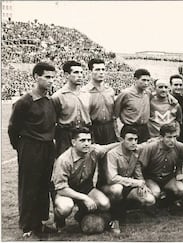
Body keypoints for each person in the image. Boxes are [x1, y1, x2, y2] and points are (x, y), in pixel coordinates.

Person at [8, 62, 57, 237]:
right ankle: (28, 224)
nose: (51, 81)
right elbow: (13, 129)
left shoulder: (50, 100)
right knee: (30, 185)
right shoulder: (24, 102)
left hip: (47, 147)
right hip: (30, 147)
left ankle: (41, 221)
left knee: (44, 183)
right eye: (47, 77)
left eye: (53, 77)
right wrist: (22, 148)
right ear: (36, 77)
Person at [51, 127, 119, 233]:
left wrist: (124, 143)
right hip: (66, 190)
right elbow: (61, 188)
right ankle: (59, 220)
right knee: (65, 207)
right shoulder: (64, 160)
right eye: (82, 140)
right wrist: (84, 198)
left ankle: (82, 215)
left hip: (85, 187)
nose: (86, 143)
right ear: (73, 142)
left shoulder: (93, 150)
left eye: (88, 140)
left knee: (104, 203)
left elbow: (108, 147)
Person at [100, 126, 155, 229]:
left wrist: (142, 183)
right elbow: (111, 178)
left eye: (135, 139)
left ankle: (126, 209)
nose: (133, 142)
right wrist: (135, 183)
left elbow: (137, 171)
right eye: (130, 139)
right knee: (117, 189)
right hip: (109, 187)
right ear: (121, 140)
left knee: (150, 199)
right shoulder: (112, 154)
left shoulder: (136, 152)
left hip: (127, 186)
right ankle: (114, 218)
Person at [138, 123, 183, 208]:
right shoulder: (151, 147)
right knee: (155, 192)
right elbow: (139, 166)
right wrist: (141, 182)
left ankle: (168, 201)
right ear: (161, 138)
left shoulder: (179, 146)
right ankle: (153, 205)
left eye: (174, 137)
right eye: (169, 137)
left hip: (168, 177)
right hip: (151, 178)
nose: (172, 140)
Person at [52, 61, 91, 157]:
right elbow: (53, 120)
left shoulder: (87, 94)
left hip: (84, 133)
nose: (80, 75)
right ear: (66, 75)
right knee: (65, 163)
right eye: (76, 72)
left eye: (81, 72)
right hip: (65, 135)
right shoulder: (58, 96)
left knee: (83, 164)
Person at [81, 58, 118, 145]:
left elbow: (114, 114)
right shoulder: (84, 92)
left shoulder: (110, 90)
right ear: (90, 71)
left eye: (103, 69)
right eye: (97, 69)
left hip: (109, 128)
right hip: (93, 128)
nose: (101, 72)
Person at [114, 69, 151, 143]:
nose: (146, 83)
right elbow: (115, 115)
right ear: (135, 80)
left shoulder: (148, 93)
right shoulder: (126, 94)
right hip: (130, 128)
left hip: (144, 129)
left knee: (144, 152)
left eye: (148, 80)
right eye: (143, 80)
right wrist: (116, 133)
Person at [169, 74, 183, 142]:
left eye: (180, 85)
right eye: (176, 85)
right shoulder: (166, 98)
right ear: (170, 85)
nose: (178, 87)